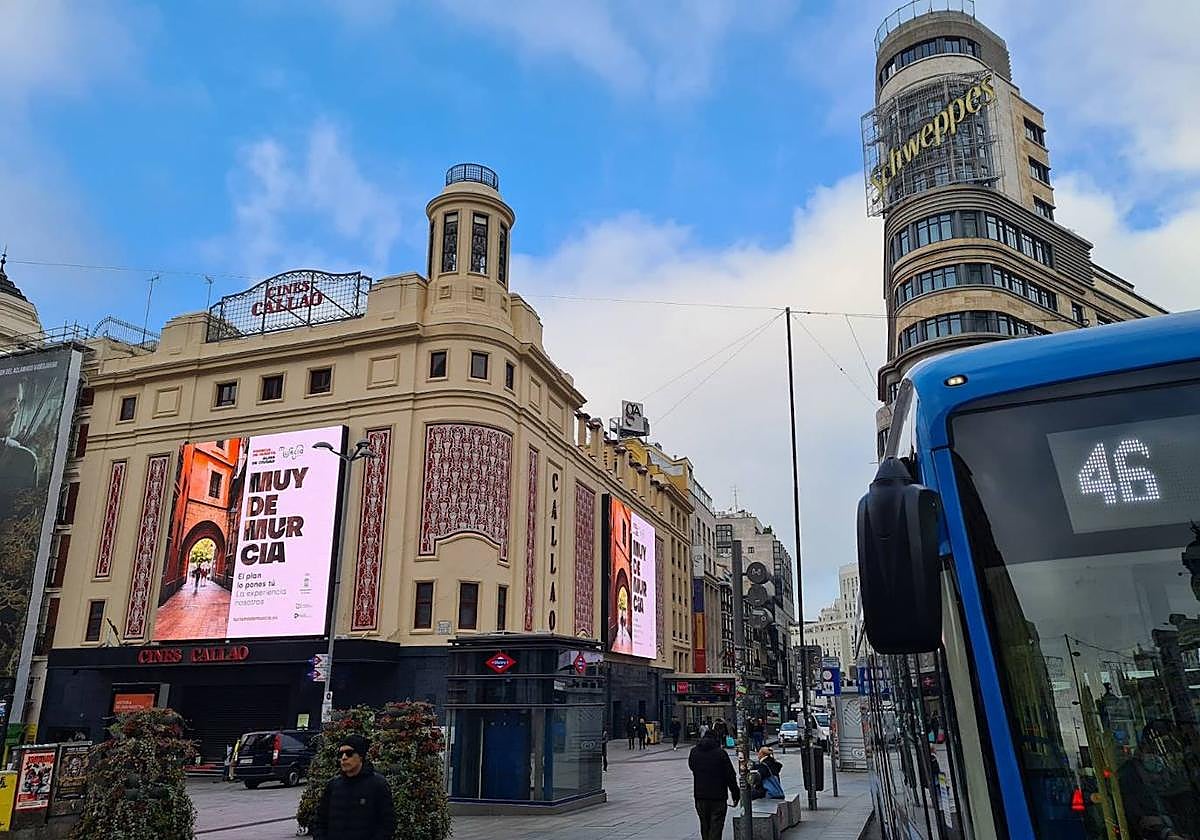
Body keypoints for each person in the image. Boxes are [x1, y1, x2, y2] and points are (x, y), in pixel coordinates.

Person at [310, 734, 395, 840]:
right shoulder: (333, 785)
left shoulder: (377, 785)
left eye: (349, 753)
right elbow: (320, 821)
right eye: (341, 754)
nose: (344, 758)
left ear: (360, 756)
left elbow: (386, 824)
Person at [689, 731, 741, 840]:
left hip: (700, 796)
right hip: (718, 797)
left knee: (705, 825)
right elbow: (730, 776)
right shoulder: (721, 753)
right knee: (716, 827)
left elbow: (692, 767)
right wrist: (736, 794)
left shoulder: (694, 752)